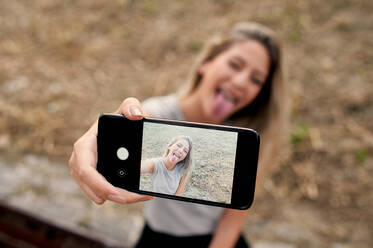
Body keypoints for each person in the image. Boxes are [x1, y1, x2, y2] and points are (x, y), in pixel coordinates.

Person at [69, 22, 289, 248]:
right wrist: (94, 140)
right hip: (157, 237)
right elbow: (135, 119)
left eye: (256, 80)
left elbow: (232, 222)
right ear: (206, 62)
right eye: (235, 64)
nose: (241, 82)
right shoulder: (159, 114)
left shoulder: (247, 139)